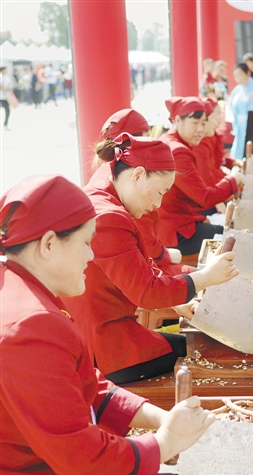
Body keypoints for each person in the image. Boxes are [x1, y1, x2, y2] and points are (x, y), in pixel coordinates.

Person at [0, 174, 216, 475]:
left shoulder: (19, 290)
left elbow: (86, 384)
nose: (90, 257)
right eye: (85, 243)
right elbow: (78, 455)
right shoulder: (29, 325)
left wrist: (156, 419)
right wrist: (165, 443)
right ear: (48, 245)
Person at [64, 134, 238, 384]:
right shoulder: (108, 218)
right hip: (104, 346)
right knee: (199, 348)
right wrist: (206, 277)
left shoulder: (105, 185)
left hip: (95, 329)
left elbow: (141, 265)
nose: (157, 204)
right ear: (137, 175)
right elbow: (145, 292)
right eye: (157, 192)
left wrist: (179, 300)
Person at [91, 107, 192, 276]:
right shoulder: (132, 183)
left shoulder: (109, 170)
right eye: (144, 136)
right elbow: (144, 240)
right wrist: (165, 255)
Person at [158, 96, 244, 255]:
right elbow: (204, 198)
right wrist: (233, 180)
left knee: (235, 232)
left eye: (204, 123)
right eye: (195, 123)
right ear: (177, 120)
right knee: (240, 239)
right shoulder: (178, 151)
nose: (200, 129)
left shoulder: (173, 142)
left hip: (179, 223)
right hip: (176, 232)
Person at [0, 66, 12, 131]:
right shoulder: (1, 77)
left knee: (8, 110)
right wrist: (7, 90)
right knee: (7, 110)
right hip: (2, 97)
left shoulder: (7, 77)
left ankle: (5, 124)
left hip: (7, 96)